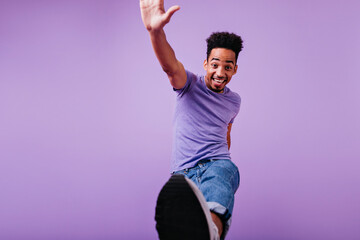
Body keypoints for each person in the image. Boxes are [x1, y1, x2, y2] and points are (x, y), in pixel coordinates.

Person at [140, 0, 243, 239]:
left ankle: (213, 232)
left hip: (216, 163)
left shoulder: (234, 101)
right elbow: (170, 66)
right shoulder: (188, 85)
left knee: (223, 177)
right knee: (182, 217)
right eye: (215, 64)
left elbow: (226, 131)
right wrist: (156, 31)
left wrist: (221, 157)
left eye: (228, 67)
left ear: (235, 69)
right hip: (182, 174)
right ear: (206, 64)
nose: (220, 73)